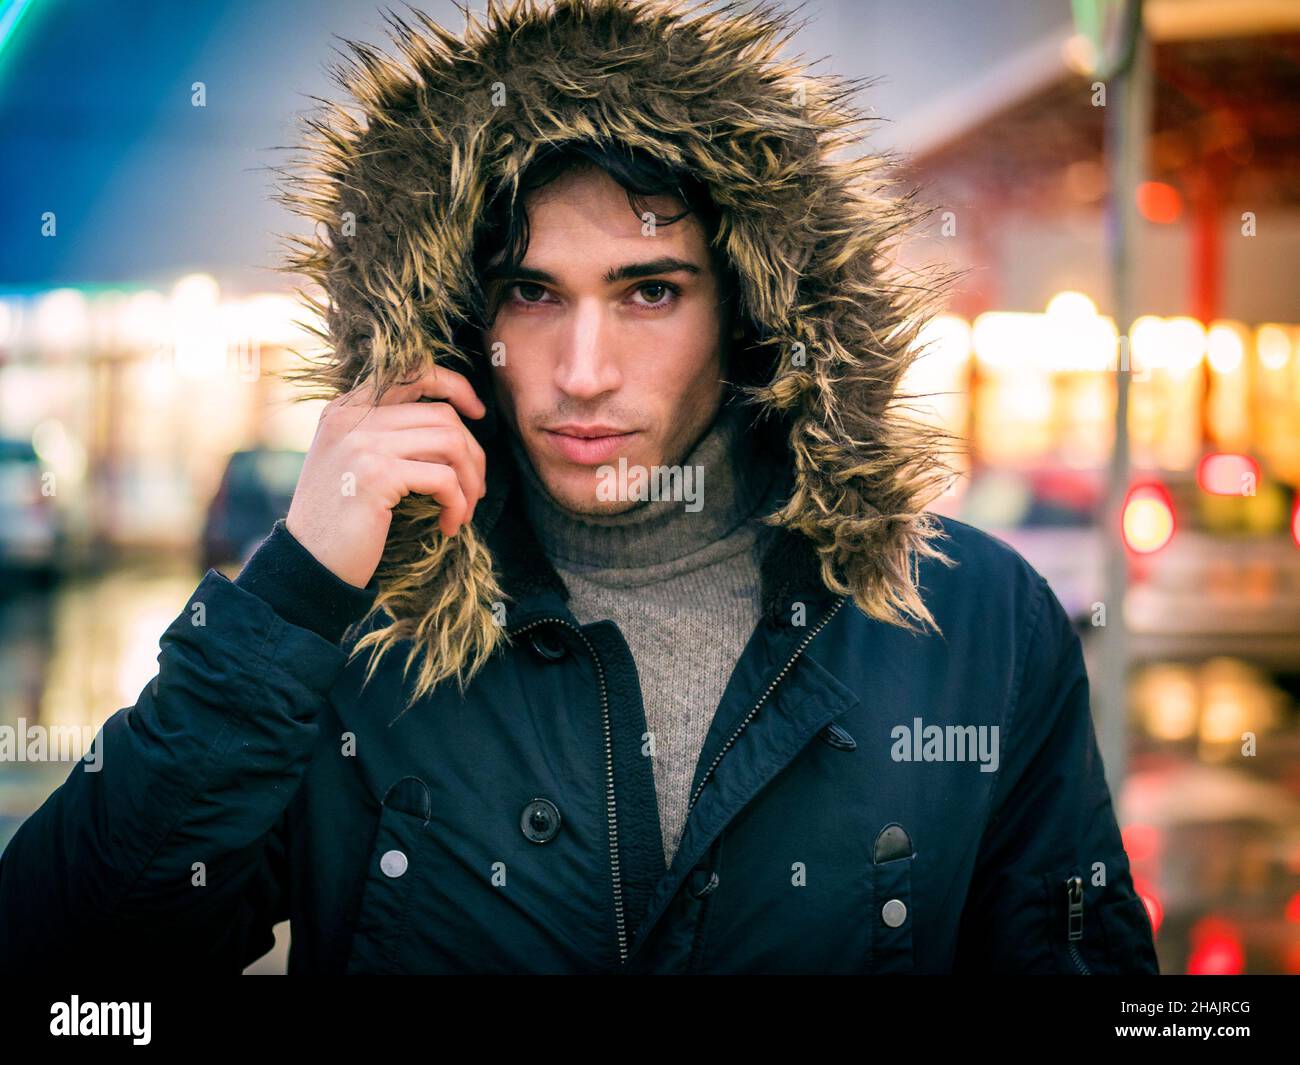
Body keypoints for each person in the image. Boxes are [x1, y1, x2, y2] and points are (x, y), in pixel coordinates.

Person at [0, 0, 1159, 974]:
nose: (582, 372)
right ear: (461, 315)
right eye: (531, 293)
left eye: (649, 291)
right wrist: (292, 597)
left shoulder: (971, 625)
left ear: (748, 307)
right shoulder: (355, 633)